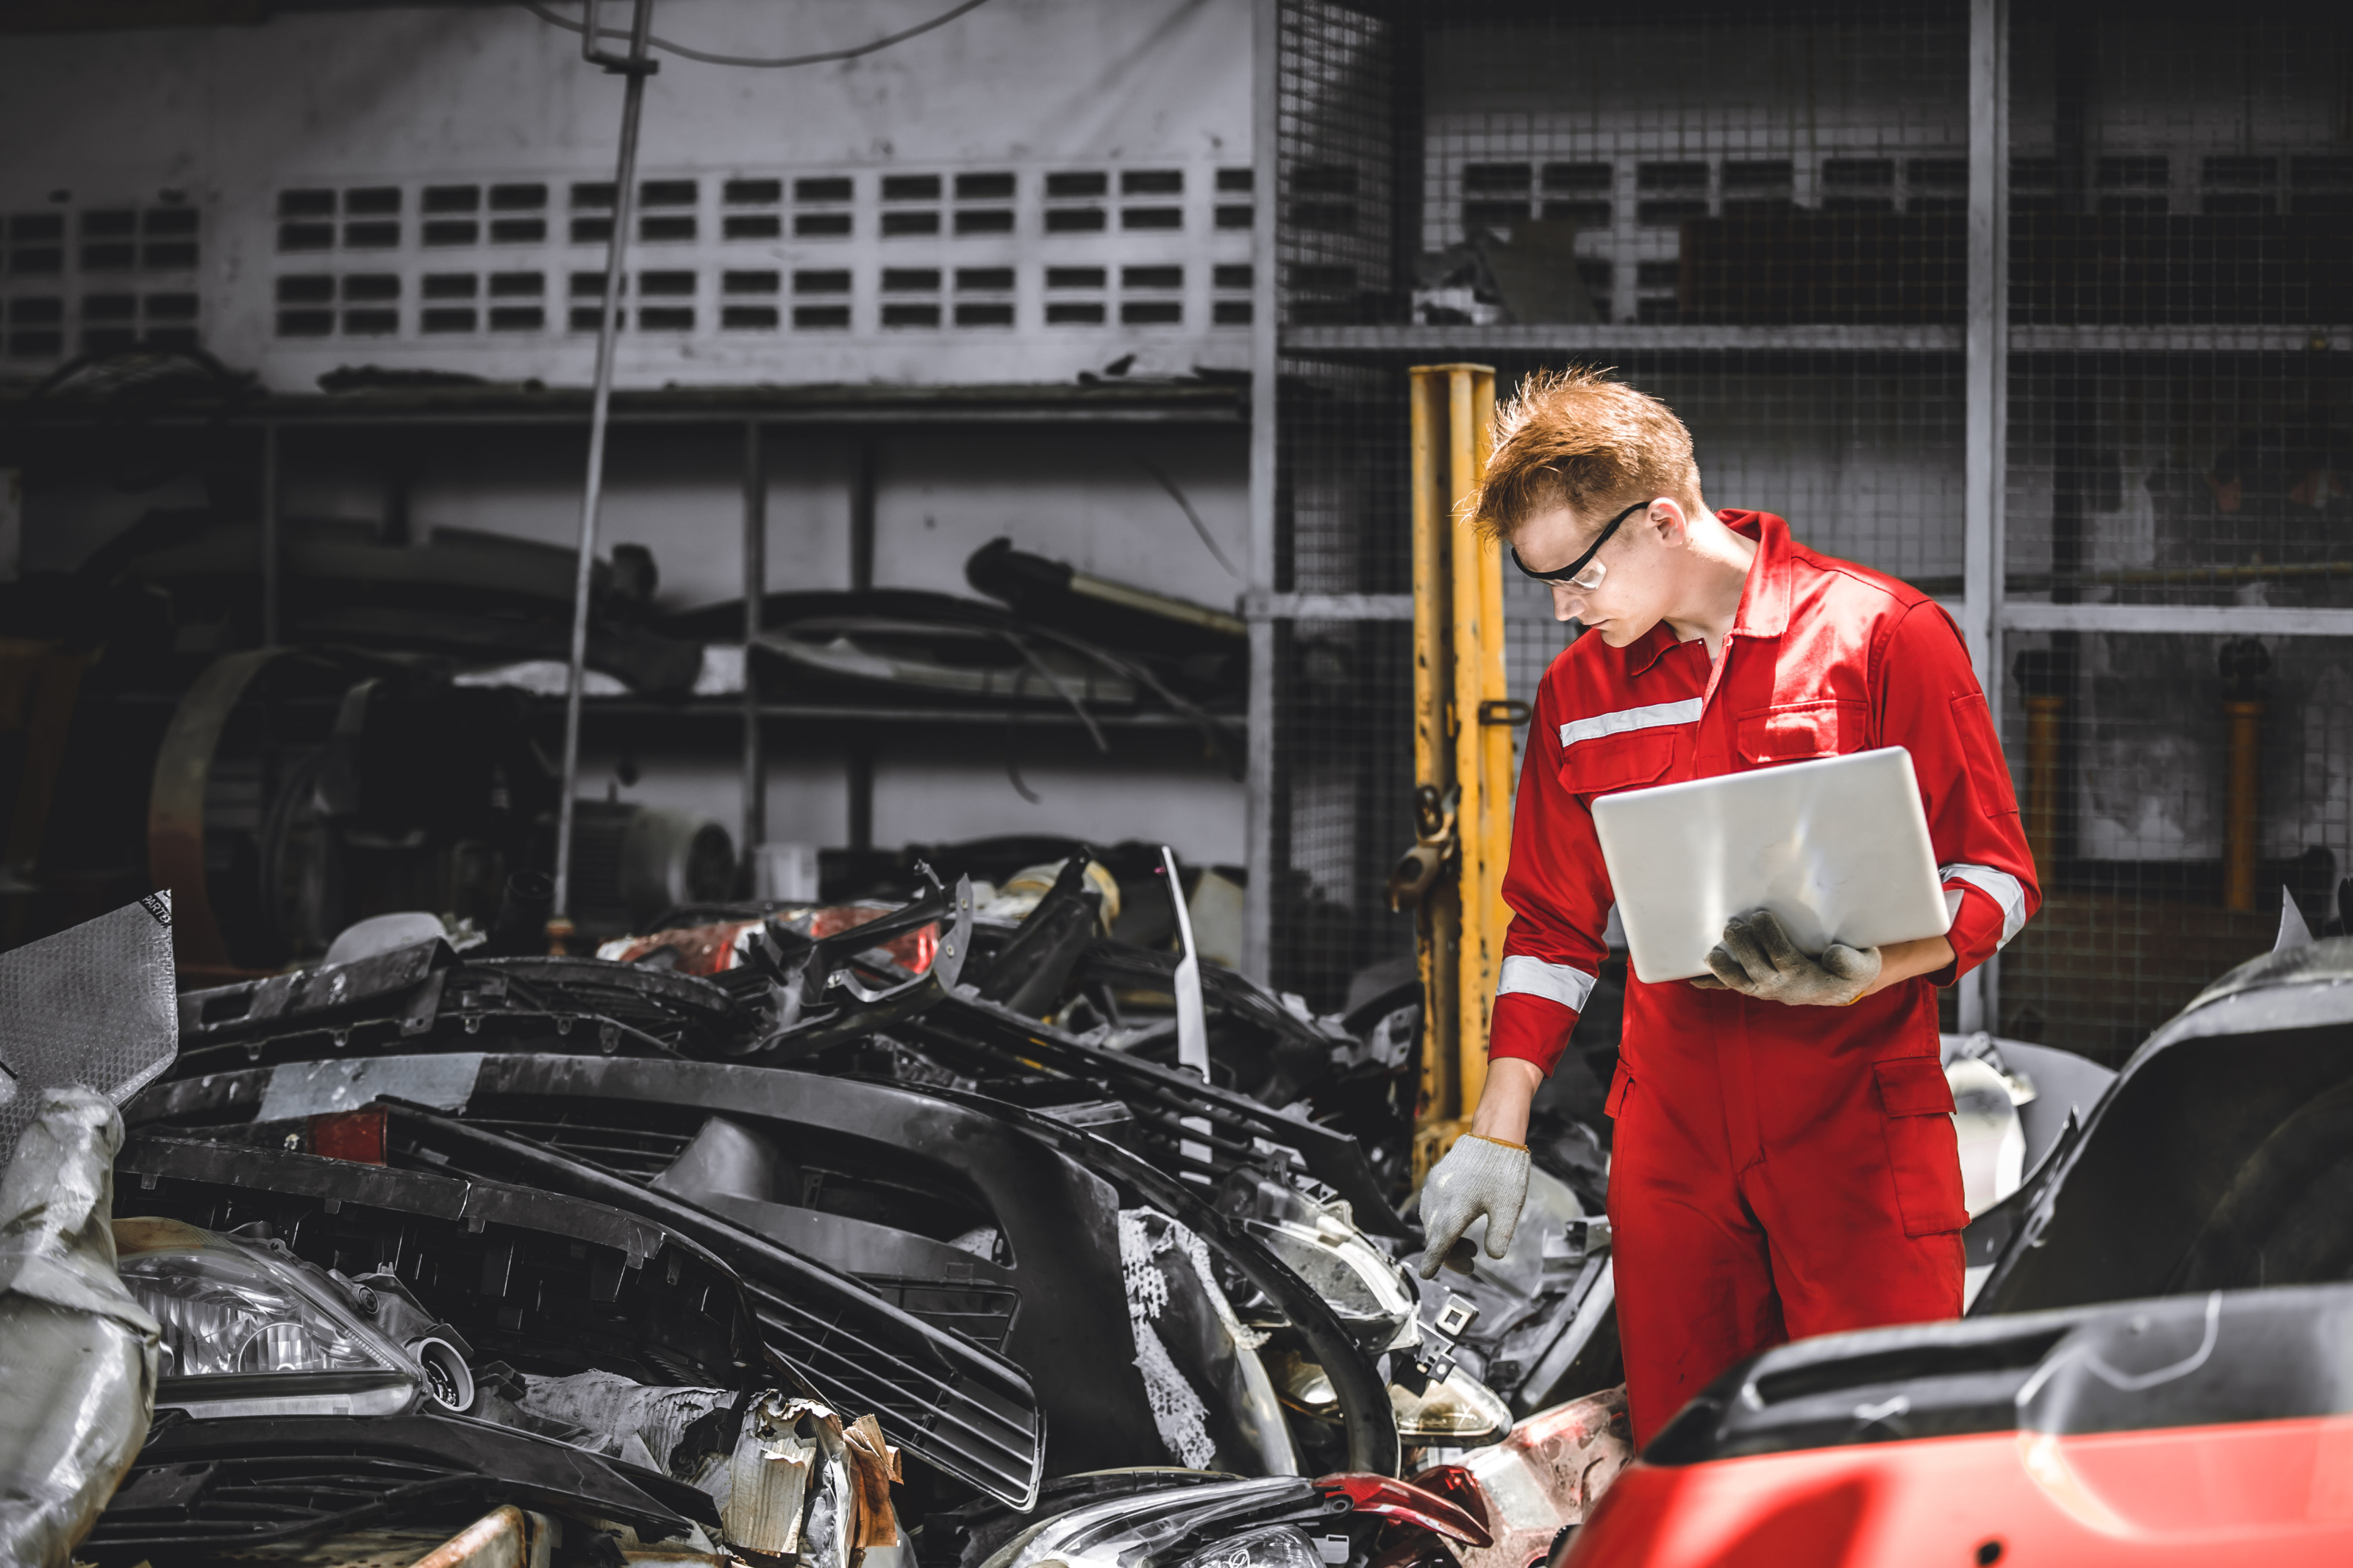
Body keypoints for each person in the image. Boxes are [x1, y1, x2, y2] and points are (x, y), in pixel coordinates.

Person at [1415, 368, 2039, 1447]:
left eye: (1579, 573)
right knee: (1690, 1455)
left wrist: (1875, 964)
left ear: (1664, 517)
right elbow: (1555, 928)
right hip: (1675, 1140)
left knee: (1884, 1450)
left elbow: (1998, 876)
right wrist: (1496, 1129)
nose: (1564, 606)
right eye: (1543, 583)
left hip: (1855, 1121)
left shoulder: (1885, 637)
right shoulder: (1579, 693)